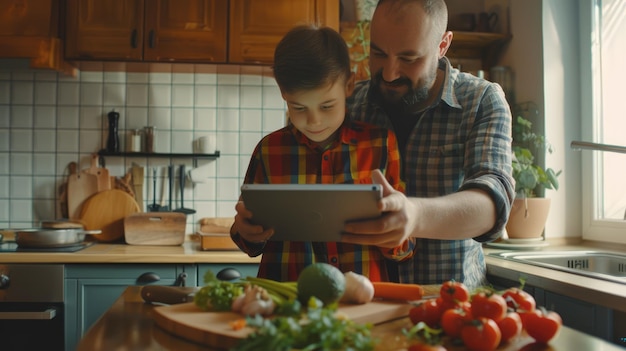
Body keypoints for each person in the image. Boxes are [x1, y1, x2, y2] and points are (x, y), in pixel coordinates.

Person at [342, 0, 516, 289]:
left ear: (442, 45)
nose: (389, 73)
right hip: (363, 308)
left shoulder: (481, 101)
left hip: (450, 309)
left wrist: (415, 217)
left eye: (409, 59)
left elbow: (492, 205)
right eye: (378, 53)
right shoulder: (351, 105)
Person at [230, 25, 414, 282]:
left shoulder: (381, 144)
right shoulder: (269, 150)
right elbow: (248, 240)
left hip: (362, 306)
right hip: (287, 304)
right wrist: (245, 231)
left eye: (327, 106)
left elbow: (405, 248)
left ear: (349, 85)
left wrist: (394, 234)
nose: (314, 121)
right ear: (283, 93)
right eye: (298, 107)